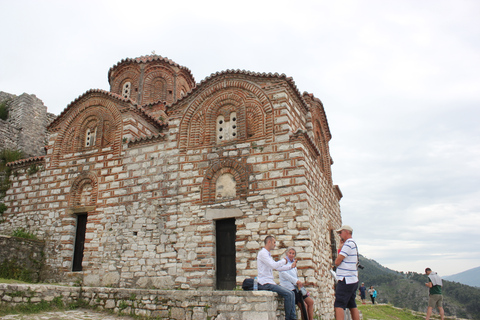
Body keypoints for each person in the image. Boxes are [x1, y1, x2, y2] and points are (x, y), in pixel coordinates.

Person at [257, 236, 297, 320]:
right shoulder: (263, 253)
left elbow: (277, 268)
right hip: (265, 283)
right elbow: (273, 265)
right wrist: (284, 260)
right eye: (274, 242)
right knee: (289, 294)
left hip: (270, 282)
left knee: (292, 294)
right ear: (269, 242)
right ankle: (289, 318)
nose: (275, 245)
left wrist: (290, 267)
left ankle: (293, 318)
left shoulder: (267, 254)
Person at [279, 247, 314, 320]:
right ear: (287, 253)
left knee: (310, 302)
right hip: (290, 288)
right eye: (290, 253)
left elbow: (295, 276)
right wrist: (296, 281)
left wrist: (301, 287)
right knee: (303, 306)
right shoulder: (283, 262)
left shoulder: (293, 264)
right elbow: (285, 275)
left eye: (293, 253)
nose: (291, 255)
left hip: (296, 287)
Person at [334, 225, 360, 320]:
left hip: (345, 279)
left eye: (341, 232)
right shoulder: (353, 244)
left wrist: (340, 248)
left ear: (346, 232)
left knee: (339, 304)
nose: (340, 235)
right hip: (353, 279)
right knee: (352, 304)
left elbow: (337, 261)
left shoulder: (348, 244)